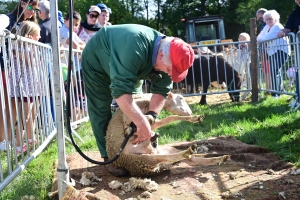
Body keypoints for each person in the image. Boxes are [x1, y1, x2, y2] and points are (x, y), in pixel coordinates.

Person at [82, 24, 194, 176]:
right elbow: (121, 92)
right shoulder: (134, 47)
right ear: (160, 56)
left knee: (137, 107)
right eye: (169, 70)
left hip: (132, 62)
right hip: (98, 58)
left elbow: (161, 90)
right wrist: (141, 122)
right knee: (100, 107)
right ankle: (109, 157)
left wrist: (151, 117)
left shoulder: (168, 53)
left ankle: (132, 152)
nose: (169, 73)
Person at [0, 0, 39, 152]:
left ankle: (10, 139)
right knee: (5, 106)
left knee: (14, 107)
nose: (32, 12)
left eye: (35, 9)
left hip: (21, 75)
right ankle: (3, 140)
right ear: (23, 4)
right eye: (30, 7)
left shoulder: (30, 25)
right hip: (6, 68)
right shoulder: (8, 19)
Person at [10, 21, 41, 154]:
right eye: (37, 35)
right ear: (29, 35)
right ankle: (18, 145)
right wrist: (31, 46)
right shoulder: (18, 48)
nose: (39, 38)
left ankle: (30, 138)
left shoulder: (28, 47)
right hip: (24, 87)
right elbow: (31, 62)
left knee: (32, 114)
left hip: (32, 85)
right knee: (24, 116)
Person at [257, 10, 291, 98]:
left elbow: (264, 39)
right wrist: (263, 38)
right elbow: (258, 38)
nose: (268, 21)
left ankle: (275, 94)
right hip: (272, 52)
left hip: (281, 51)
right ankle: (278, 93)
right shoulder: (266, 27)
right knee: (276, 72)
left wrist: (263, 38)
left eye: (270, 19)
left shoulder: (277, 26)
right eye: (267, 19)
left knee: (273, 71)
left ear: (275, 18)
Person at [277, 0, 300, 99]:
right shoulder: (295, 12)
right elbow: (288, 27)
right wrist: (283, 31)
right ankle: (298, 95)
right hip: (299, 46)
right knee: (298, 71)